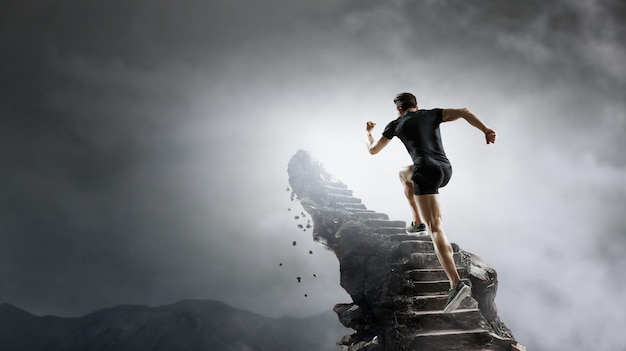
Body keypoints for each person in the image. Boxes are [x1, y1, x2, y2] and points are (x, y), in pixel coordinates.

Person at [365, 92, 496, 313]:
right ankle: (416, 222)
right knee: (403, 174)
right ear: (416, 105)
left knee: (436, 228)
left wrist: (368, 132)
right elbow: (464, 112)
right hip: (445, 170)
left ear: (399, 109)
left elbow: (373, 150)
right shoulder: (431, 114)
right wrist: (486, 130)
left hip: (425, 172)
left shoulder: (395, 124)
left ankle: (455, 283)